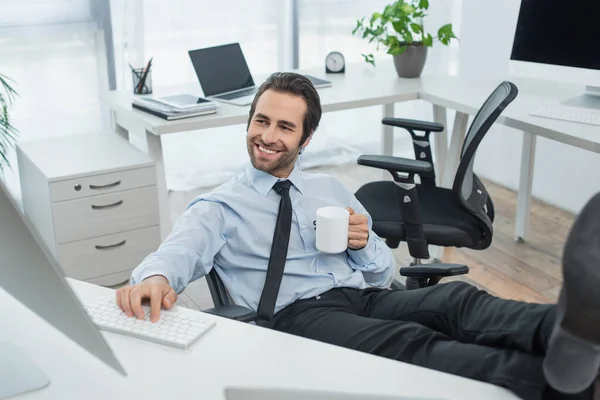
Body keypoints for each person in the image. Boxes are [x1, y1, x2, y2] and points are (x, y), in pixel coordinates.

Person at [116, 72, 600, 400]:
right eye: (261, 121)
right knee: (409, 342)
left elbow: (382, 270)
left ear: (304, 140)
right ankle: (549, 383)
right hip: (295, 316)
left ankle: (574, 331)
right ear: (249, 123)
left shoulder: (328, 187)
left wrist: (364, 240)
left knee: (457, 301)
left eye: (285, 127)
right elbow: (175, 253)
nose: (267, 135)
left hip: (363, 296)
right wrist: (156, 278)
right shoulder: (219, 207)